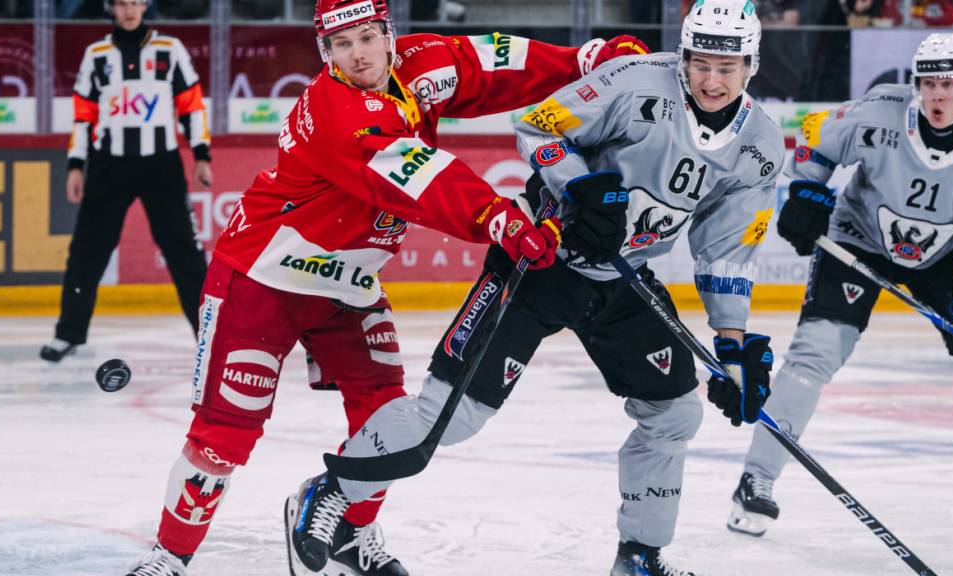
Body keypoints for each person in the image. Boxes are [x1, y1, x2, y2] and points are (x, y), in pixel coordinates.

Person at [123, 0, 648, 574]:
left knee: (385, 417)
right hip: (262, 280)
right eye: (341, 44)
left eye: (368, 37)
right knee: (225, 435)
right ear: (325, 53)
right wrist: (497, 216)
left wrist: (586, 61)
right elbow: (417, 176)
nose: (358, 54)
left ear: (388, 35)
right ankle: (169, 557)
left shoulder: (422, 64)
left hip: (349, 285)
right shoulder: (334, 111)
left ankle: (351, 535)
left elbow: (491, 63)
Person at [299, 1, 782, 574]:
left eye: (727, 69)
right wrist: (581, 188)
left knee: (674, 413)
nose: (711, 81)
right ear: (684, 56)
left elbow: (727, 250)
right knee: (453, 415)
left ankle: (639, 555)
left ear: (752, 66)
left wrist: (731, 344)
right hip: (539, 260)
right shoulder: (635, 79)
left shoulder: (761, 147)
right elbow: (540, 125)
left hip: (622, 278)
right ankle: (332, 489)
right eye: (700, 64)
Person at [727, 32, 953, 538]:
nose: (938, 95)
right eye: (929, 83)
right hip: (856, 241)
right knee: (814, 355)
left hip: (945, 257)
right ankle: (757, 478)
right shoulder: (881, 112)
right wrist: (806, 190)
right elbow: (816, 133)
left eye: (950, 84)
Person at [42, 0, 211, 362]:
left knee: (185, 252)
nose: (129, 10)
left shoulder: (170, 49)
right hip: (109, 166)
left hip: (161, 165)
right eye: (121, 3)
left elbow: (192, 105)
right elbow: (83, 116)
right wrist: (76, 165)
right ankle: (68, 334)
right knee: (86, 252)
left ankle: (210, 335)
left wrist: (202, 155)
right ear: (111, 8)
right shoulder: (97, 55)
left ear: (145, 6)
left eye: (135, 2)